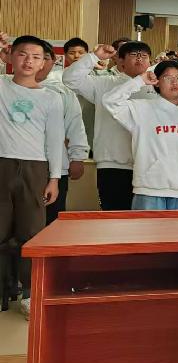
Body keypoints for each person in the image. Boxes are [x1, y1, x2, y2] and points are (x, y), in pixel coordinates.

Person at [0, 34, 64, 318]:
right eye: (23, 54)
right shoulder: (2, 86)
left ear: (43, 63)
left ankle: (28, 292)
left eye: (36, 57)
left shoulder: (51, 98)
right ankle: (3, 288)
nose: (29, 61)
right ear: (11, 57)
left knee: (31, 233)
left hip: (35, 168)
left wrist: (54, 178)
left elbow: (55, 140)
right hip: (2, 164)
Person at [63, 41, 158, 210]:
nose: (139, 59)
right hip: (113, 164)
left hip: (149, 165)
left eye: (144, 55)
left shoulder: (158, 88)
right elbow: (70, 79)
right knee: (113, 215)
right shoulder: (104, 83)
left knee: (145, 219)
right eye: (134, 55)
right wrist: (94, 57)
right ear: (120, 61)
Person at [102, 61, 178, 210]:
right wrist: (140, 80)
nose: (174, 82)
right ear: (157, 82)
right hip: (148, 190)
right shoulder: (142, 108)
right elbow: (110, 101)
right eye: (168, 78)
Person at [31, 41, 88, 224]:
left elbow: (75, 125)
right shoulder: (9, 86)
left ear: (53, 60)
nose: (40, 63)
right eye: (35, 57)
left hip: (57, 166)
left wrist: (77, 157)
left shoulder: (62, 91)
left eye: (45, 58)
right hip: (19, 163)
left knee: (52, 218)